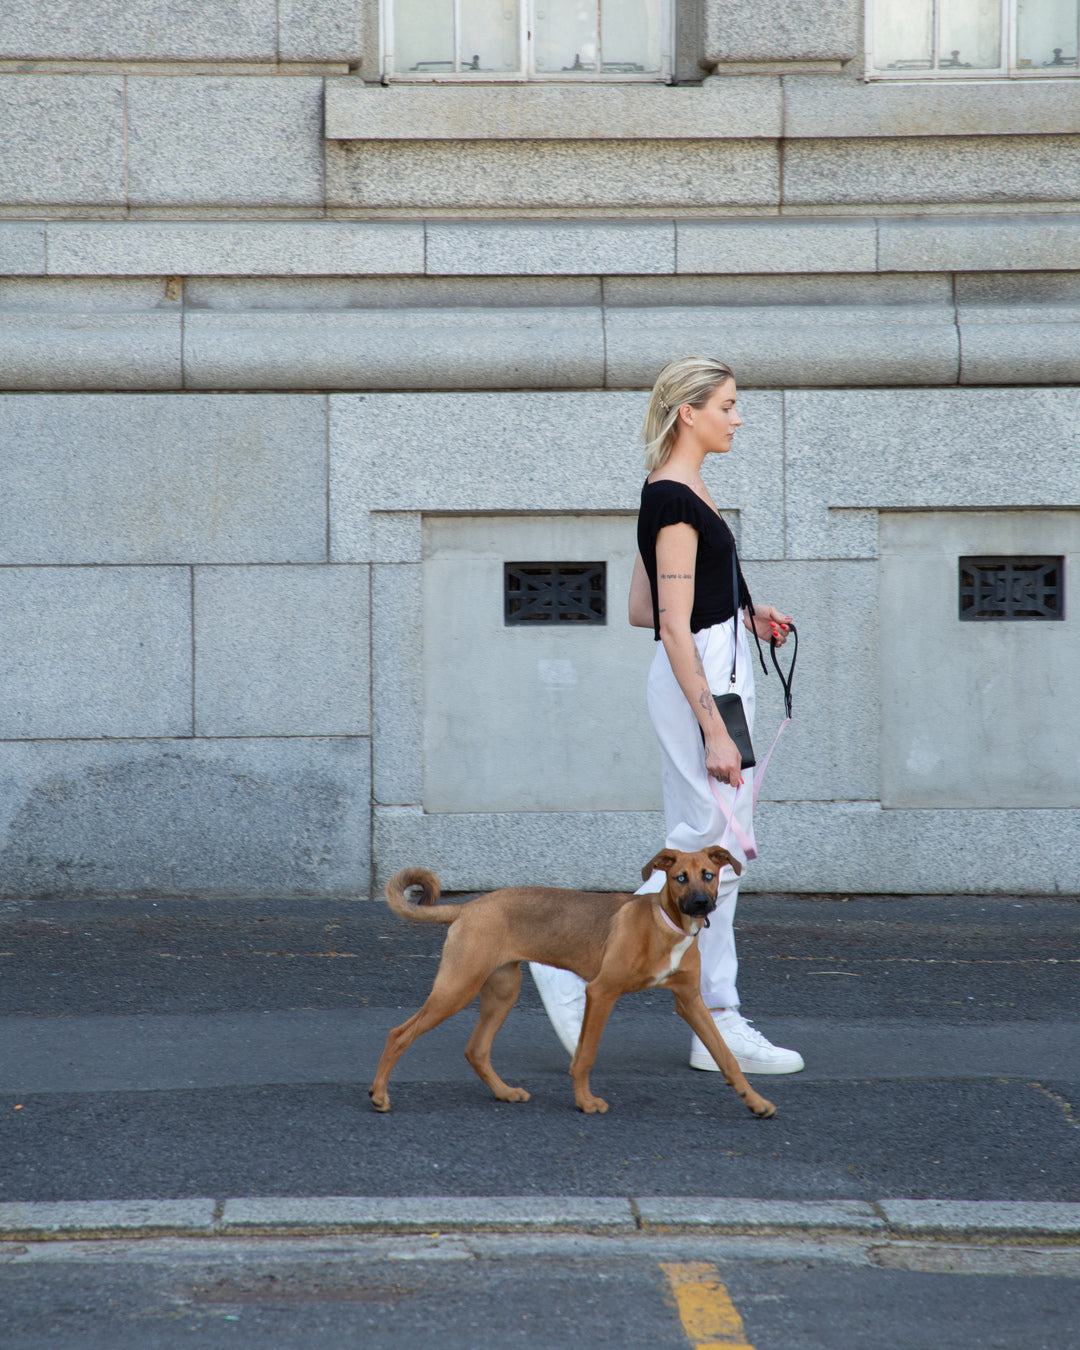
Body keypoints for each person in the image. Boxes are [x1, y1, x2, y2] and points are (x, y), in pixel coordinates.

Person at [530, 357, 804, 1075]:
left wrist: (745, 612)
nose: (738, 417)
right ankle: (655, 993)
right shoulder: (675, 500)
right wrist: (713, 728)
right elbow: (671, 628)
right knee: (713, 853)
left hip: (712, 671)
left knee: (713, 850)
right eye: (727, 405)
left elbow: (640, 608)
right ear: (689, 412)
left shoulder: (679, 490)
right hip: (701, 684)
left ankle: (699, 1007)